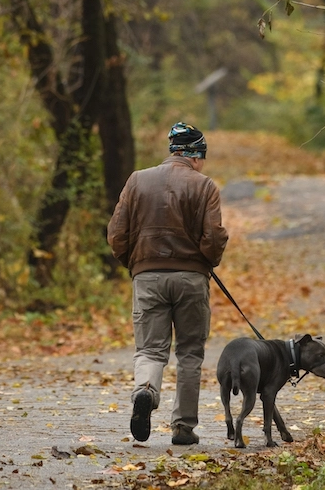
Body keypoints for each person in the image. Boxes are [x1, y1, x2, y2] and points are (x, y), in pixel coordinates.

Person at [107, 122, 228, 445]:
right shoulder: (204, 186)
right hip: (190, 279)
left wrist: (137, 264)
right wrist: (205, 260)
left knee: (149, 349)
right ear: (195, 156)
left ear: (172, 151)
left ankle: (146, 390)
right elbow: (213, 236)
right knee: (189, 353)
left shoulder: (136, 180)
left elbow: (117, 235)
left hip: (147, 276)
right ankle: (183, 429)